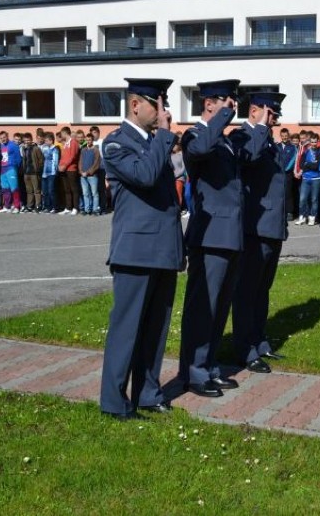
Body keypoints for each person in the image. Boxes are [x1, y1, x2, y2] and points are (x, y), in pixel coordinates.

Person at [99, 78, 183, 420]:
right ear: (136, 105)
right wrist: (164, 137)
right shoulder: (116, 144)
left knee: (155, 330)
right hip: (134, 251)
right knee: (127, 330)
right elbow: (146, 176)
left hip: (163, 248)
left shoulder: (155, 143)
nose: (164, 111)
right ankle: (114, 401)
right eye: (157, 103)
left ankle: (148, 393)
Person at [179, 79, 268, 397]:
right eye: (226, 101)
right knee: (202, 309)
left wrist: (259, 126)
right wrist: (222, 119)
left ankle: (209, 366)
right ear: (208, 103)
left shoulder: (226, 141)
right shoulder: (195, 134)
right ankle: (193, 371)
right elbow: (200, 148)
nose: (231, 107)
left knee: (218, 309)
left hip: (230, 234)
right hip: (210, 235)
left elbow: (253, 155)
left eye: (233, 103)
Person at [232, 91, 289, 375]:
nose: (274, 120)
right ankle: (244, 349)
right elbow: (247, 159)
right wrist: (259, 128)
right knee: (246, 292)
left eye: (275, 116)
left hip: (271, 228)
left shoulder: (268, 141)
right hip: (253, 228)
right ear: (254, 111)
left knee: (261, 291)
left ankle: (259, 340)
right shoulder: (242, 137)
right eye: (271, 114)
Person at [294, 135, 320, 225]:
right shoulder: (305, 152)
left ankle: (312, 217)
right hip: (306, 178)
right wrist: (310, 165)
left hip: (316, 178)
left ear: (317, 142)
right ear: (310, 142)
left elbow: (318, 166)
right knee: (302, 199)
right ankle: (302, 217)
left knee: (314, 199)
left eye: (315, 142)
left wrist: (308, 164)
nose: (313, 144)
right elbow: (301, 165)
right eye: (312, 142)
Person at [0, 131, 22, 213]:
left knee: (14, 188)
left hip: (11, 169)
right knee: (5, 189)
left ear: (7, 136)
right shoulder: (0, 146)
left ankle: (17, 207)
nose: (3, 139)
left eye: (4, 137)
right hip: (3, 169)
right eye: (1, 138)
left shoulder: (13, 145)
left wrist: (15, 167)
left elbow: (18, 158)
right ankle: (7, 206)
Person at [57, 127, 80, 215]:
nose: (61, 135)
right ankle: (68, 207)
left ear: (65, 133)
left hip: (71, 169)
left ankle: (75, 207)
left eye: (62, 133)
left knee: (74, 189)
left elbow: (73, 156)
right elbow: (63, 157)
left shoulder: (73, 142)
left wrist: (65, 165)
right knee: (66, 189)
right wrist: (60, 165)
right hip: (63, 169)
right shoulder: (65, 143)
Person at [79, 132, 102, 215]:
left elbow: (96, 163)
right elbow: (80, 162)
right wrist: (81, 171)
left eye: (90, 140)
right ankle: (87, 209)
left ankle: (95, 209)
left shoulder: (95, 150)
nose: (88, 141)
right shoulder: (83, 150)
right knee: (85, 193)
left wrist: (88, 172)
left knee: (94, 193)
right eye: (87, 140)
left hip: (92, 176)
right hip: (83, 175)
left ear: (92, 141)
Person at [21, 133, 44, 212]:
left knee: (37, 190)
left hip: (34, 173)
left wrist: (38, 170)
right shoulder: (24, 149)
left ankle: (38, 205)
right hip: (26, 173)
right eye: (25, 140)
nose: (27, 142)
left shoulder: (36, 148)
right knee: (29, 191)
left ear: (31, 140)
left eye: (28, 140)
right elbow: (24, 160)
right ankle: (29, 206)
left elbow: (41, 160)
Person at [40, 132, 59, 213]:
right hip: (44, 173)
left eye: (47, 141)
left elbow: (55, 161)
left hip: (51, 172)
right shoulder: (44, 148)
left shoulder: (55, 149)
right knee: (45, 191)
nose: (45, 142)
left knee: (51, 190)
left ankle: (54, 207)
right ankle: (48, 207)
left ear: (51, 141)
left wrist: (55, 171)